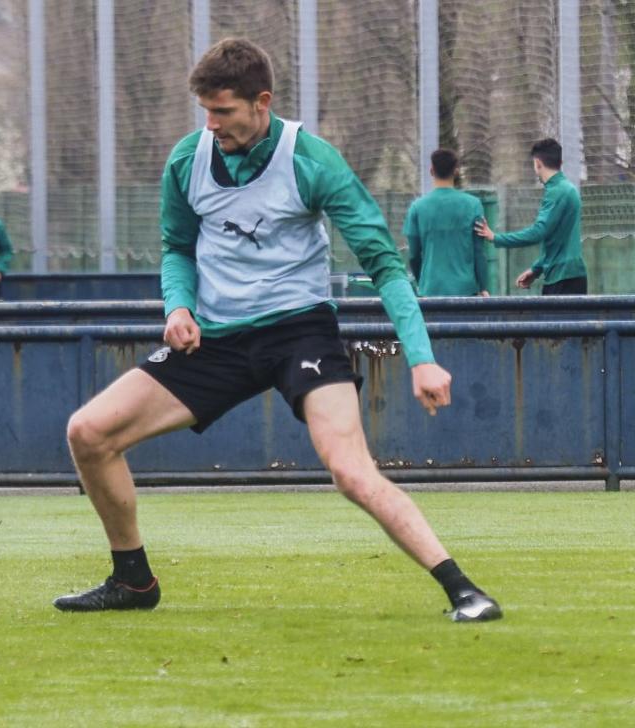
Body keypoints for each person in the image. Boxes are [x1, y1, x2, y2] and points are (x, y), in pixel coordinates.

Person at [53, 39, 501, 622]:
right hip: (218, 339)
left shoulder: (311, 160)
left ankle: (462, 588)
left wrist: (421, 358)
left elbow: (385, 265)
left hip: (300, 333)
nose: (211, 125)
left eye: (224, 112)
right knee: (87, 432)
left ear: (261, 102)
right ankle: (133, 582)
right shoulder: (188, 161)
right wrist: (178, 308)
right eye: (206, 113)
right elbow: (177, 248)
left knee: (349, 470)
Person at [474, 138, 587, 294]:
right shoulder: (567, 189)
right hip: (567, 276)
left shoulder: (557, 191)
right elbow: (557, 241)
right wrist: (536, 269)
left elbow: (538, 232)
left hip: (563, 280)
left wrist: (495, 237)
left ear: (538, 163)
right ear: (561, 163)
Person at [403, 149, 489, 297]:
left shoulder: (417, 207)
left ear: (431, 171)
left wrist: (421, 281)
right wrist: (483, 286)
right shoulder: (473, 205)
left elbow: (413, 254)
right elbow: (479, 252)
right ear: (455, 172)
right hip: (466, 290)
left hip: (430, 289)